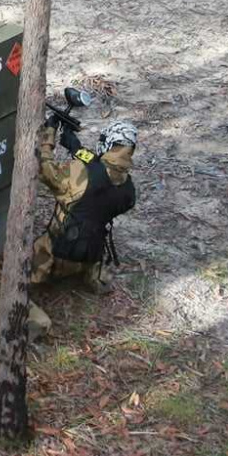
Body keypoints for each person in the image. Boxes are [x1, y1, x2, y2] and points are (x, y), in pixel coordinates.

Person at [26, 116, 138, 339]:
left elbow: (43, 167)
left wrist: (49, 137)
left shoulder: (79, 172)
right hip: (90, 255)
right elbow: (99, 172)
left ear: (107, 144)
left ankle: (37, 321)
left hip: (56, 254)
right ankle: (95, 277)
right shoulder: (128, 189)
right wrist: (77, 148)